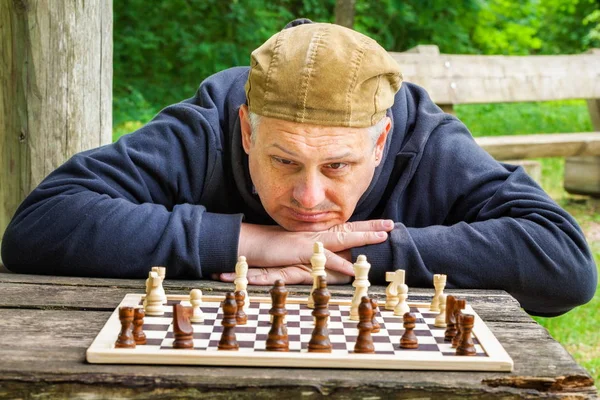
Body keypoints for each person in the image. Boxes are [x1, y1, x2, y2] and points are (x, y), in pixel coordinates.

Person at [1, 20, 596, 317]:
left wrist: (348, 258)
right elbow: (41, 225)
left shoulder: (425, 137)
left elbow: (564, 263)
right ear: (245, 129)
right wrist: (253, 242)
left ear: (382, 141)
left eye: (338, 165)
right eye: (283, 160)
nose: (308, 196)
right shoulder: (206, 124)